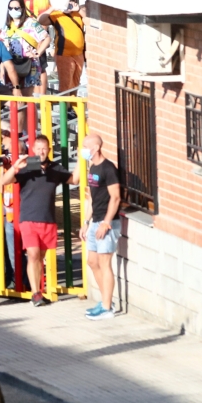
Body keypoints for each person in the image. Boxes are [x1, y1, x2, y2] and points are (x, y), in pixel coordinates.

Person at [0, 135, 72, 306]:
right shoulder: (27, 166)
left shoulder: (56, 168)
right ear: (33, 150)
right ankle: (35, 294)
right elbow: (2, 183)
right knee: (33, 255)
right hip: (28, 218)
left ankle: (39, 290)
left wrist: (85, 163)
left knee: (41, 257)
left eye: (44, 148)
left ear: (49, 150)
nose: (41, 151)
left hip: (48, 219)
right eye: (38, 148)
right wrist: (15, 167)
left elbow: (74, 179)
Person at [81, 134, 121, 320]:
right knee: (92, 262)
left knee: (105, 263)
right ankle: (106, 300)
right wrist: (86, 222)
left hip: (107, 223)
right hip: (95, 220)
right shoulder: (92, 167)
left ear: (96, 148)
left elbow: (115, 197)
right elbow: (91, 198)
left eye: (85, 146)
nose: (82, 150)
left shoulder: (108, 168)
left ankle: (106, 308)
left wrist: (106, 223)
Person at [43, 1, 86, 94]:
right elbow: (41, 20)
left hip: (79, 53)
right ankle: (64, 107)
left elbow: (89, 19)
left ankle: (73, 107)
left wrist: (78, 9)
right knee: (65, 84)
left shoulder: (77, 13)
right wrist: (53, 8)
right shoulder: (56, 14)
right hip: (64, 54)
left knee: (75, 83)